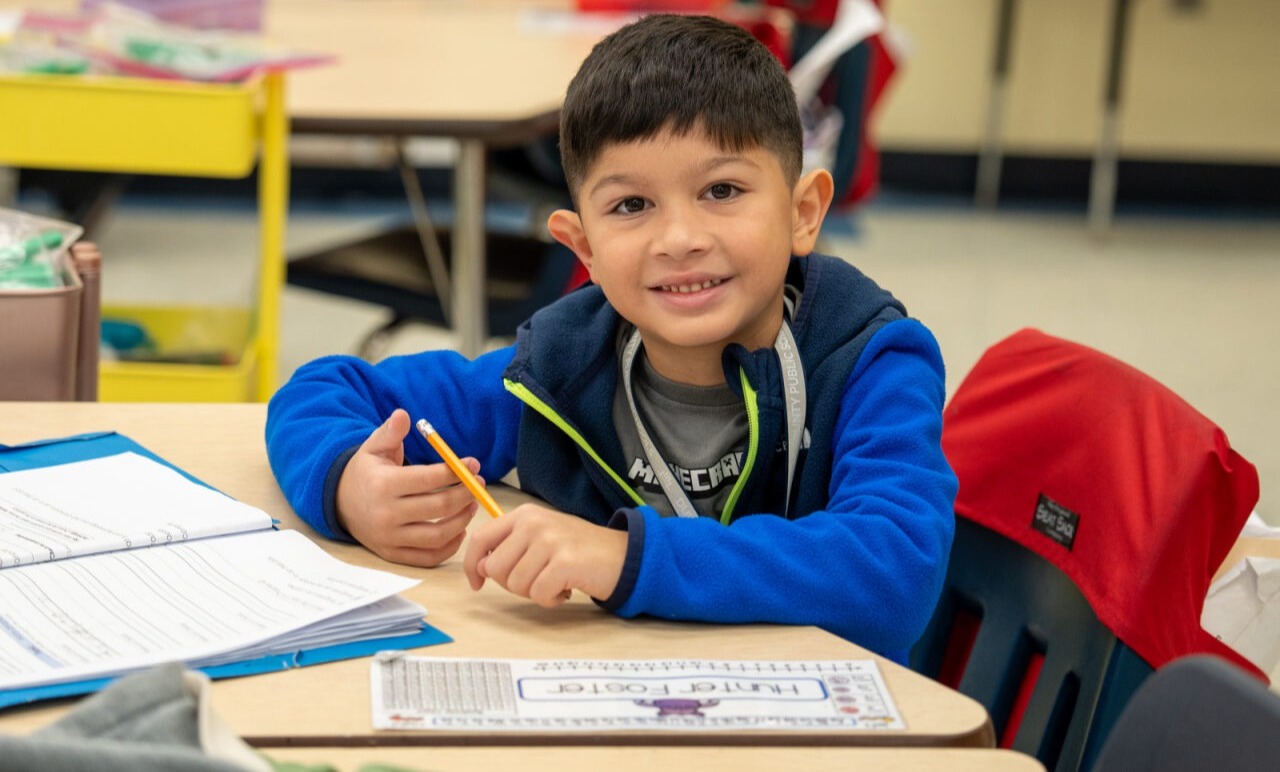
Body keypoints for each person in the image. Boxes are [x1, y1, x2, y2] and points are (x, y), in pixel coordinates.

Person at [265, 13, 956, 664]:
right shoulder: (559, 368)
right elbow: (326, 389)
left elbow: (893, 572)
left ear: (803, 213)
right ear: (584, 246)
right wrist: (348, 485)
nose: (681, 239)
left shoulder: (870, 361)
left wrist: (623, 558)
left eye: (722, 190)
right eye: (632, 206)